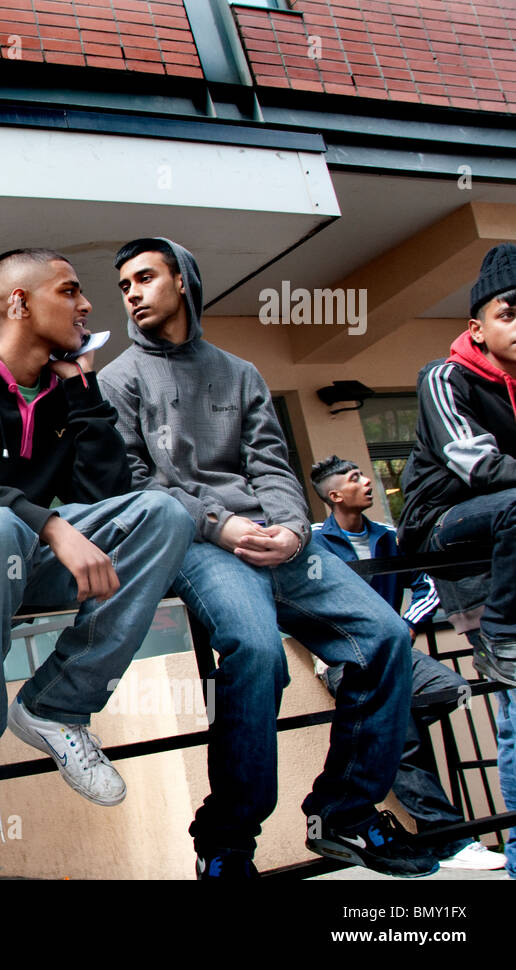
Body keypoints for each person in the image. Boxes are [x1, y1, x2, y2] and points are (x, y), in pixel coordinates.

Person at [98, 237, 434, 878]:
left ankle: (344, 811)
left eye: (145, 278)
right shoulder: (118, 379)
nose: (133, 294)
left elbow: (271, 464)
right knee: (255, 650)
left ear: (184, 282)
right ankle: (226, 842)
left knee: (386, 635)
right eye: (124, 286)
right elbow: (135, 483)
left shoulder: (240, 372)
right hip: (198, 543)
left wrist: (292, 532)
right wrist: (222, 527)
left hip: (276, 540)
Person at [0, 248, 194, 843]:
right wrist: (47, 525)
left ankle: (56, 705)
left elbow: (105, 495)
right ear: (19, 302)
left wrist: (81, 389)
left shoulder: (62, 393)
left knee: (162, 514)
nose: (89, 304)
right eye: (70, 291)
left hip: (17, 564)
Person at [309, 456, 504, 870]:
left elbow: (426, 584)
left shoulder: (388, 536)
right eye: (354, 478)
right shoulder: (314, 543)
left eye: (363, 473)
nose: (367, 481)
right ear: (334, 496)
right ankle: (447, 838)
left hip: (396, 651)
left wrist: (406, 623)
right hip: (346, 658)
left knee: (450, 689)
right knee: (406, 738)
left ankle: (391, 732)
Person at [398, 241, 516, 879]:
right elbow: (478, 465)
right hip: (446, 533)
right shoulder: (443, 377)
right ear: (478, 326)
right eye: (510, 312)